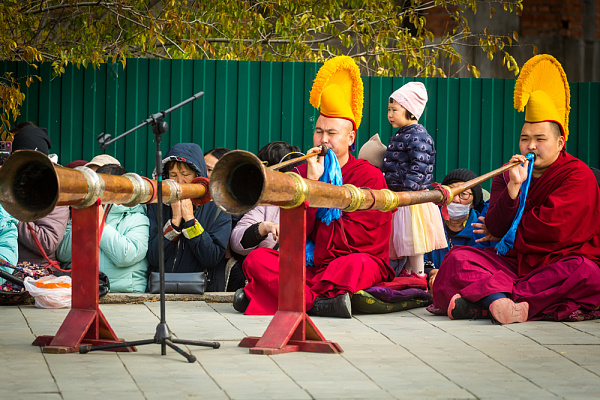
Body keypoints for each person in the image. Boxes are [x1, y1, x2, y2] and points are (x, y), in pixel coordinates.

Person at [433, 54, 600, 324]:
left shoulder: (577, 175)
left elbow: (554, 230)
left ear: (560, 143)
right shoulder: (508, 173)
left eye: (540, 139)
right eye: (525, 139)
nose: (531, 146)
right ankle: (501, 300)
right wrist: (513, 187)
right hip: (514, 262)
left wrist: (505, 231)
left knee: (586, 273)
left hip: (556, 263)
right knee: (457, 258)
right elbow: (496, 227)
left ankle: (490, 299)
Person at [235, 56, 394, 318]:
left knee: (354, 266)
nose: (323, 139)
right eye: (319, 131)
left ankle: (276, 294)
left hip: (344, 261)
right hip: (308, 265)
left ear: (351, 137)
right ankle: (318, 302)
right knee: (256, 259)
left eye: (332, 133)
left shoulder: (369, 176)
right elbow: (293, 235)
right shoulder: (301, 173)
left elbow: (365, 240)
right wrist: (312, 183)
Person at [146, 143, 232, 292]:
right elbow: (153, 257)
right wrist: (174, 223)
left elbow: (212, 257)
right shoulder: (156, 205)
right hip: (161, 290)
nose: (179, 181)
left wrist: (190, 222)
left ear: (198, 175)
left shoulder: (218, 207)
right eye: (173, 175)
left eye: (185, 174)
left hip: (204, 293)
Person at [382, 82, 446, 278]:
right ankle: (408, 275)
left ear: (410, 110)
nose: (390, 114)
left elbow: (420, 165)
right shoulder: (402, 134)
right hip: (400, 198)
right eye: (389, 110)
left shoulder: (418, 135)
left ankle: (419, 276)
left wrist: (408, 192)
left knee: (414, 241)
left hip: (412, 200)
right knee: (405, 241)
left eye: (394, 109)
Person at [57, 164, 150, 293]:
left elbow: (126, 256)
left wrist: (100, 223)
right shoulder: (82, 212)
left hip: (124, 292)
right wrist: (85, 221)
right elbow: (62, 254)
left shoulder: (137, 217)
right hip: (83, 290)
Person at [228, 141, 305, 293]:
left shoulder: (314, 203)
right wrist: (263, 227)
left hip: (302, 276)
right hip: (269, 278)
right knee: (257, 258)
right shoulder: (266, 204)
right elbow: (236, 242)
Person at [10, 123, 69, 269]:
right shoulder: (9, 182)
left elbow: (48, 242)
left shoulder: (55, 189)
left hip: (34, 273)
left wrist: (10, 212)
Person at [424, 169, 491, 289]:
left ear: (473, 201)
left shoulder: (481, 229)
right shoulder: (429, 222)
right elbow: (418, 258)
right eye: (451, 192)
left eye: (463, 194)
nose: (455, 199)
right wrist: (432, 272)